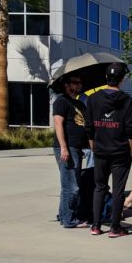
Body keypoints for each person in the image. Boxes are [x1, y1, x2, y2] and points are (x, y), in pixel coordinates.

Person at [85, 63, 132, 238]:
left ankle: (96, 225)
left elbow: (89, 127)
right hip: (120, 151)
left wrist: (94, 146)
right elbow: (131, 130)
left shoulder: (92, 99)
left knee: (99, 187)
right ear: (122, 80)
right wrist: (131, 151)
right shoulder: (127, 101)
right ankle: (115, 228)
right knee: (118, 190)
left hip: (100, 150)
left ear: (106, 78)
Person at [52, 74, 89, 228]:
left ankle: (63, 215)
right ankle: (69, 219)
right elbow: (58, 124)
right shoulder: (61, 101)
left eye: (80, 82)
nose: (79, 84)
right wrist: (64, 147)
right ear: (67, 85)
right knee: (72, 186)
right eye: (76, 82)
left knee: (69, 184)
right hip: (67, 147)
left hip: (77, 148)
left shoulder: (79, 104)